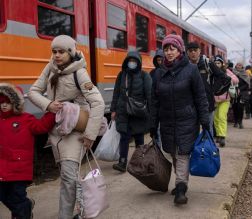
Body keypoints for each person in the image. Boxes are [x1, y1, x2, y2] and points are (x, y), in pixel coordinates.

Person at [28, 35, 105, 219]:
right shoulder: (50, 67)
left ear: (70, 52)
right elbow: (33, 91)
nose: (56, 55)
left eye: (61, 51)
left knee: (69, 177)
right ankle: (81, 209)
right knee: (67, 178)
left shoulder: (79, 72)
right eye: (54, 51)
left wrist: (90, 135)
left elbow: (99, 103)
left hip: (74, 130)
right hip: (56, 130)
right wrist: (48, 105)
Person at [150, 34, 209, 205]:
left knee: (183, 152)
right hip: (167, 120)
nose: (169, 52)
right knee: (173, 152)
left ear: (179, 50)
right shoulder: (159, 73)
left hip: (187, 120)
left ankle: (181, 187)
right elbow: (154, 101)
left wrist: (205, 120)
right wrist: (153, 124)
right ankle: (181, 180)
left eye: (172, 49)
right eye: (166, 49)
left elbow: (200, 97)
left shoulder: (191, 70)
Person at [0, 83, 55, 219]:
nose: (4, 105)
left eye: (8, 102)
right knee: (4, 196)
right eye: (1, 102)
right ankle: (26, 206)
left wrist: (52, 112)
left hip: (19, 168)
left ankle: (22, 214)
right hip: (2, 168)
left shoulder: (26, 119)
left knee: (17, 198)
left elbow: (41, 126)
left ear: (16, 103)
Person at [110, 50, 152, 172]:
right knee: (124, 136)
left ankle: (139, 162)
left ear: (138, 62)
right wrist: (113, 110)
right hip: (123, 111)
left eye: (134, 61)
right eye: (130, 61)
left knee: (139, 137)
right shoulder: (122, 75)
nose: (132, 63)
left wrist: (151, 113)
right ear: (126, 62)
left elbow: (149, 95)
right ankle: (122, 162)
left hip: (138, 112)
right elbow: (116, 93)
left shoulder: (145, 76)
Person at [213, 55, 239, 147]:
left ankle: (222, 136)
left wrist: (228, 78)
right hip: (215, 100)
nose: (217, 65)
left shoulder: (227, 72)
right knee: (215, 118)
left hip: (225, 99)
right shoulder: (212, 72)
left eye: (218, 63)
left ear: (222, 64)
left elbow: (236, 80)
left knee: (222, 116)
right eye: (215, 63)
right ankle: (218, 135)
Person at [149, 49, 164, 147]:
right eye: (158, 60)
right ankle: (159, 151)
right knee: (156, 129)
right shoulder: (152, 73)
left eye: (162, 59)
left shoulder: (170, 71)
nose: (160, 62)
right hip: (155, 105)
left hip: (166, 106)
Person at [232, 61, 250, 128]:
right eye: (237, 65)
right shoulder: (232, 73)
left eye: (240, 65)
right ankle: (236, 121)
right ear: (235, 65)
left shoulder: (245, 74)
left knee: (240, 108)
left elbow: (247, 85)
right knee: (235, 107)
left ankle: (240, 122)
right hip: (234, 92)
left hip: (242, 93)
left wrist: (240, 89)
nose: (238, 66)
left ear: (242, 66)